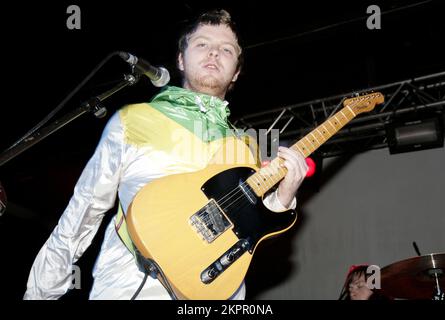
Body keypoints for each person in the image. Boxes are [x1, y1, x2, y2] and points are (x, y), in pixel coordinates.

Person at [23, 9, 309, 300]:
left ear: (236, 71)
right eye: (202, 44)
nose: (214, 53)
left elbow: (248, 234)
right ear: (181, 59)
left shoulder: (246, 146)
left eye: (226, 49)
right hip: (130, 287)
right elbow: (82, 212)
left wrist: (281, 199)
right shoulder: (135, 120)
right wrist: (39, 295)